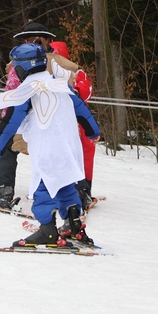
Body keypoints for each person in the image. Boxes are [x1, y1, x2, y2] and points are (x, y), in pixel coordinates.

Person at [0, 43, 101, 248]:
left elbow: (10, 123)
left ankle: (47, 231)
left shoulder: (27, 91)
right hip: (69, 147)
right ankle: (74, 226)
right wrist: (93, 131)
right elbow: (82, 110)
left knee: (44, 188)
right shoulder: (60, 85)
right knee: (65, 184)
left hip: (49, 149)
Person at [0, 22, 89, 210]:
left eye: (39, 40)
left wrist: (8, 123)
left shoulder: (23, 63)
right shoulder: (61, 64)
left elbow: (13, 95)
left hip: (33, 123)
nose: (35, 43)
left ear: (47, 41)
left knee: (8, 148)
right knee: (64, 154)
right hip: (56, 125)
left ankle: (2, 190)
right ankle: (78, 192)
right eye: (31, 40)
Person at [49, 40, 97, 211]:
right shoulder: (47, 71)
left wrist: (74, 92)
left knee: (83, 153)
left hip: (78, 119)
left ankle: (83, 189)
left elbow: (87, 89)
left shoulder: (76, 71)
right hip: (57, 120)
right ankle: (55, 189)